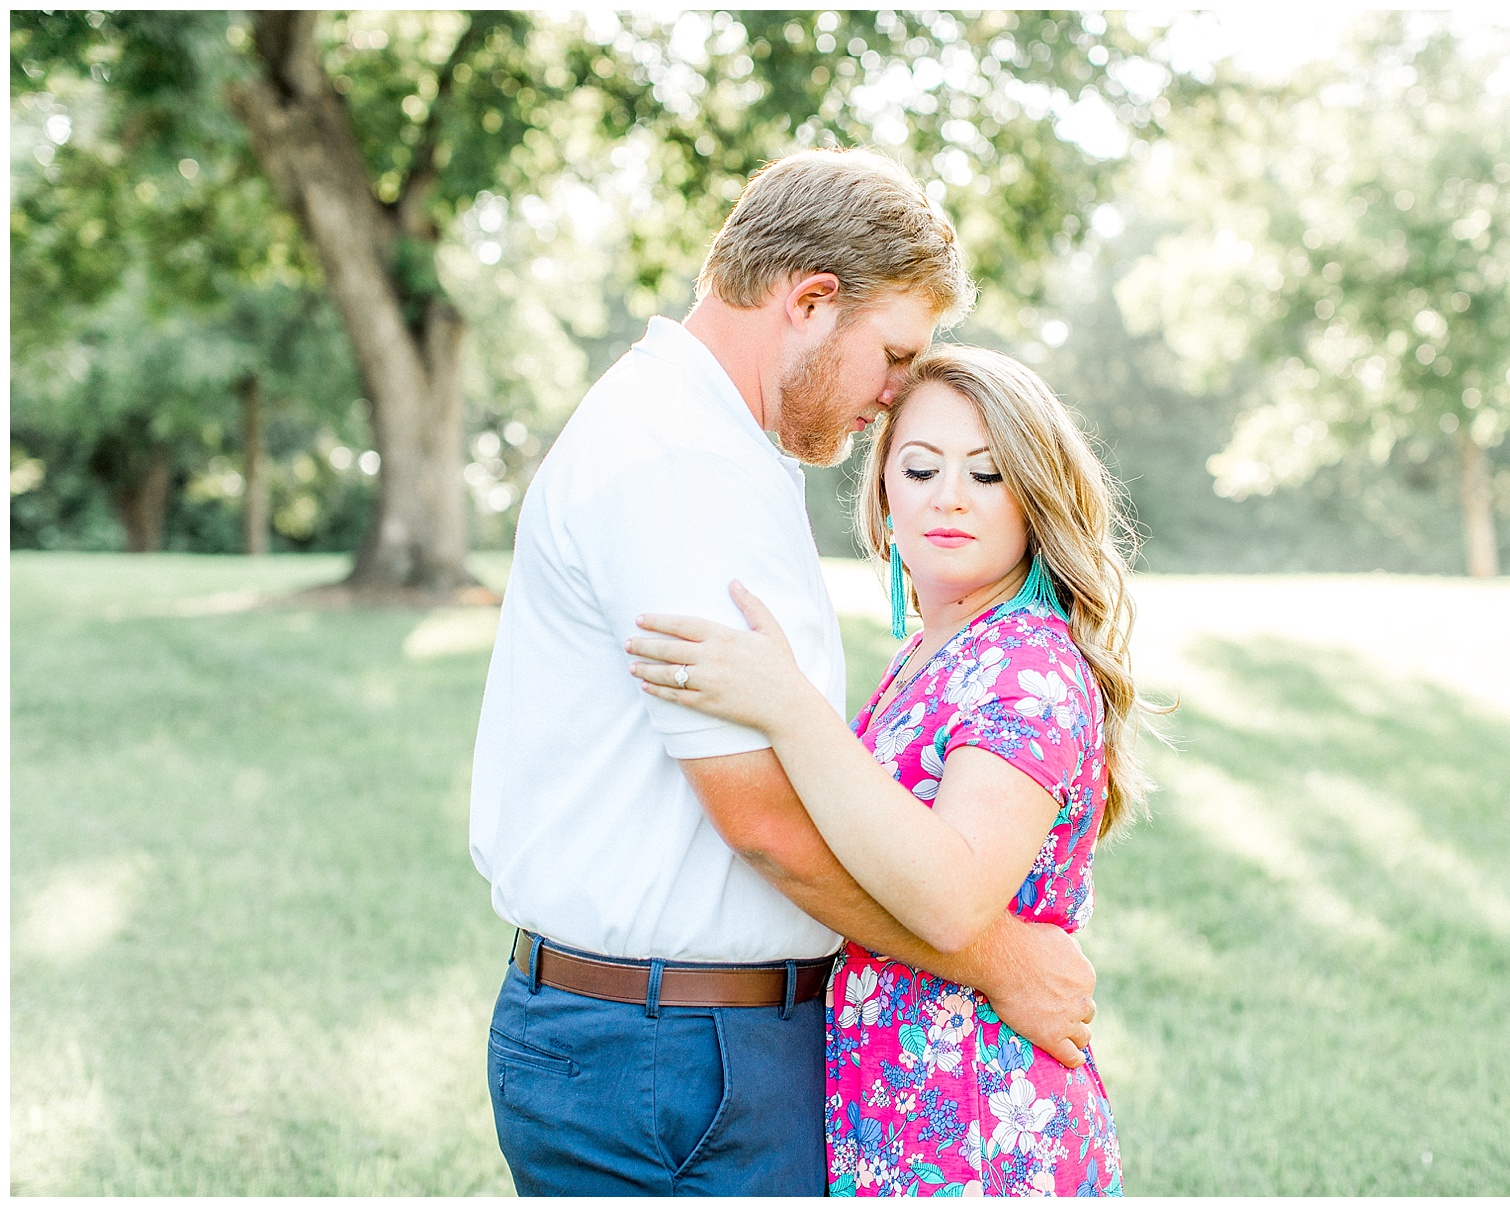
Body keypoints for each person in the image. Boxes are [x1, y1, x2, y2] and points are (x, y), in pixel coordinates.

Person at [469, 150, 1100, 1197]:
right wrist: (997, 961)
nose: (897, 396)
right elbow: (765, 819)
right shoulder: (679, 462)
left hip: (692, 1045)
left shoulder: (710, 443)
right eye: (894, 353)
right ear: (810, 303)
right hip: (671, 1055)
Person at [629, 345, 1152, 1196]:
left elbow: (951, 898)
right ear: (883, 489)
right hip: (897, 1103)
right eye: (920, 467)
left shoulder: (1026, 666)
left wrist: (786, 703)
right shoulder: (933, 650)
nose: (948, 496)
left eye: (987, 474)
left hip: (982, 1119)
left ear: (1036, 495)